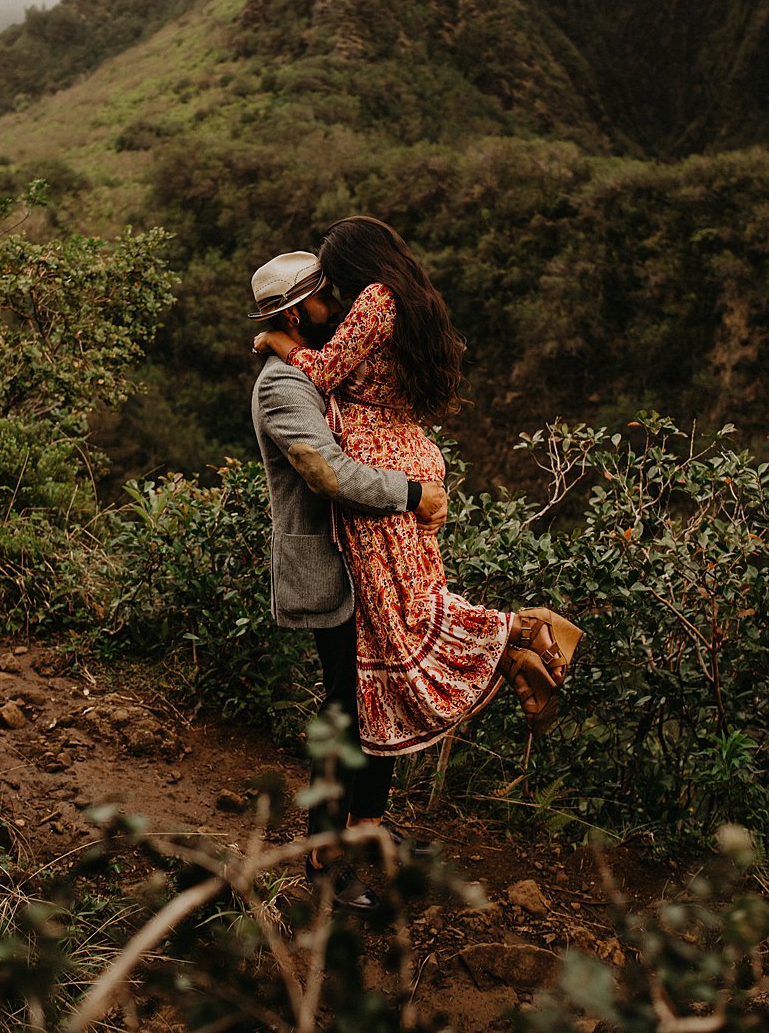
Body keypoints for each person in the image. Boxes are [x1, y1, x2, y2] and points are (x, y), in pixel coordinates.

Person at [253, 218, 582, 760]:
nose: (337, 303)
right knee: (409, 614)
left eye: (335, 283)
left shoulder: (375, 302)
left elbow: (328, 378)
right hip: (405, 459)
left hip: (385, 471)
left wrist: (279, 342)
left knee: (406, 619)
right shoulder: (404, 299)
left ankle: (518, 635)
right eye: (325, 294)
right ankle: (519, 640)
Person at [249, 251, 448, 913]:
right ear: (293, 312)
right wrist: (412, 489)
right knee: (342, 713)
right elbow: (327, 472)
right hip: (329, 572)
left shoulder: (316, 368)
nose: (334, 307)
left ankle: (366, 823)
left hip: (367, 565)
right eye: (323, 299)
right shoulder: (282, 386)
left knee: (377, 699)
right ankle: (324, 859)